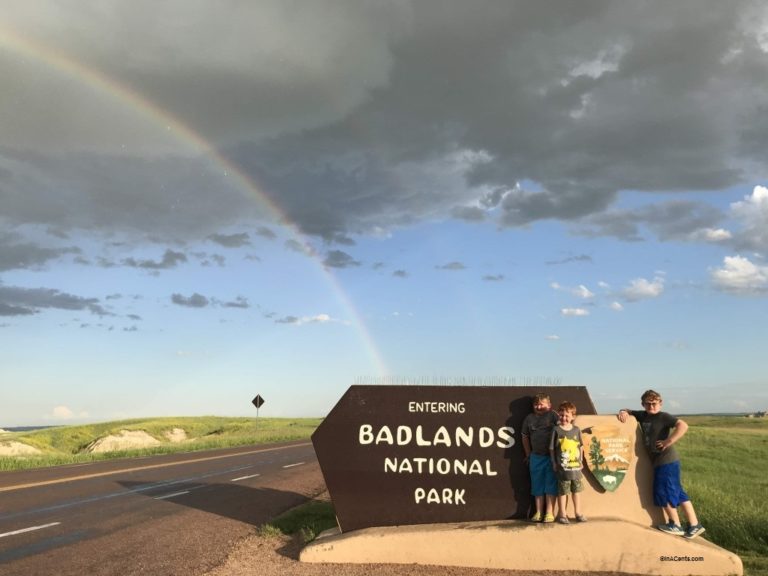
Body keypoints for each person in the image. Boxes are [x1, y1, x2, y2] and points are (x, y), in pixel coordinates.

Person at [617, 389, 705, 539]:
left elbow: (683, 425)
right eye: (648, 404)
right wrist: (623, 411)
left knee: (664, 490)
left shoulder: (663, 416)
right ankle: (694, 524)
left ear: (660, 403)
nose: (651, 406)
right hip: (661, 461)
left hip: (666, 459)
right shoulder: (643, 415)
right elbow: (628, 410)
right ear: (643, 404)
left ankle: (675, 524)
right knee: (678, 492)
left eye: (654, 403)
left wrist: (668, 441)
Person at [521, 392, 559, 522]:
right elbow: (524, 436)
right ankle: (538, 512)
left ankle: (549, 512)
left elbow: (564, 428)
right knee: (537, 485)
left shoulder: (554, 415)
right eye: (536, 404)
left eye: (541, 404)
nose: (538, 407)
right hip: (536, 457)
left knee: (550, 485)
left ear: (549, 405)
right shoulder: (529, 419)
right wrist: (528, 454)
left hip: (552, 457)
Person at [549, 401, 586, 524]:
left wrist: (581, 460)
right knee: (563, 491)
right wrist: (554, 462)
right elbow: (552, 448)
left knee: (576, 491)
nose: (563, 418)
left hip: (575, 469)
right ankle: (562, 514)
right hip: (562, 469)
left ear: (573, 417)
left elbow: (581, 446)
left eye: (566, 416)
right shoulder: (556, 430)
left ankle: (578, 513)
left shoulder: (576, 430)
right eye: (561, 415)